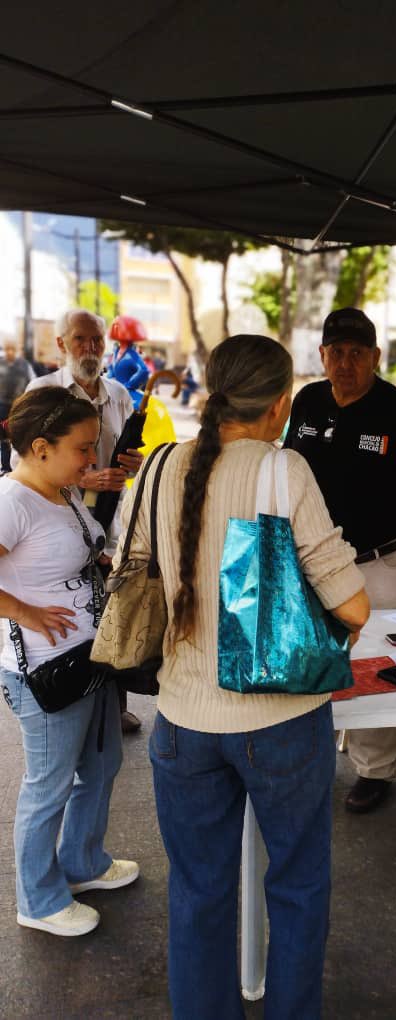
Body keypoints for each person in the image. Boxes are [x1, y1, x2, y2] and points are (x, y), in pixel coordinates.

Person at [114, 334, 369, 1020]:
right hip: (281, 721)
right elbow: (353, 605)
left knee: (197, 893)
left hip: (182, 725)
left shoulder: (160, 466)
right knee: (297, 884)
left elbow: (131, 568)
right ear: (281, 403)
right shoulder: (284, 471)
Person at [284, 306, 396, 814]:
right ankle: (307, 759)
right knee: (309, 659)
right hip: (312, 559)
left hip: (379, 560)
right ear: (322, 355)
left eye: (358, 353)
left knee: (375, 665)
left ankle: (375, 771)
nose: (346, 363)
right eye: (337, 353)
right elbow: (287, 469)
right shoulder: (307, 401)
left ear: (375, 357)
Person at [0, 388, 138, 937]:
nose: (91, 459)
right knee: (48, 784)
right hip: (43, 669)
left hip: (90, 656)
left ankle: (83, 864)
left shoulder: (60, 491)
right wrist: (25, 612)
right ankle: (37, 899)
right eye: (83, 448)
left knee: (100, 766)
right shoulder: (13, 500)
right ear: (40, 447)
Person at [25, 309, 145, 734]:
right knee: (76, 612)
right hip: (59, 519)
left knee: (115, 609)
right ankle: (73, 698)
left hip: (111, 524)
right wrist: (85, 477)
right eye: (81, 340)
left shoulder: (118, 394)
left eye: (97, 340)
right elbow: (23, 461)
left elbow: (130, 459)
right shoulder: (42, 392)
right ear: (61, 344)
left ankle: (115, 703)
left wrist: (133, 464)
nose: (91, 349)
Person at [0, 341, 34, 473]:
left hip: (19, 406)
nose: (10, 352)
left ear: (17, 350)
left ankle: (17, 468)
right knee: (3, 438)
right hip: (2, 406)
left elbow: (32, 382)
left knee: (18, 435)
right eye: (7, 348)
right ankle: (6, 467)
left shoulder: (24, 365)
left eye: (12, 349)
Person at [106, 314, 150, 408]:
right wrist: (108, 381)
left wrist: (129, 385)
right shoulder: (116, 352)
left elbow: (144, 370)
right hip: (113, 392)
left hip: (127, 394)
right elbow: (111, 368)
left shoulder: (132, 354)